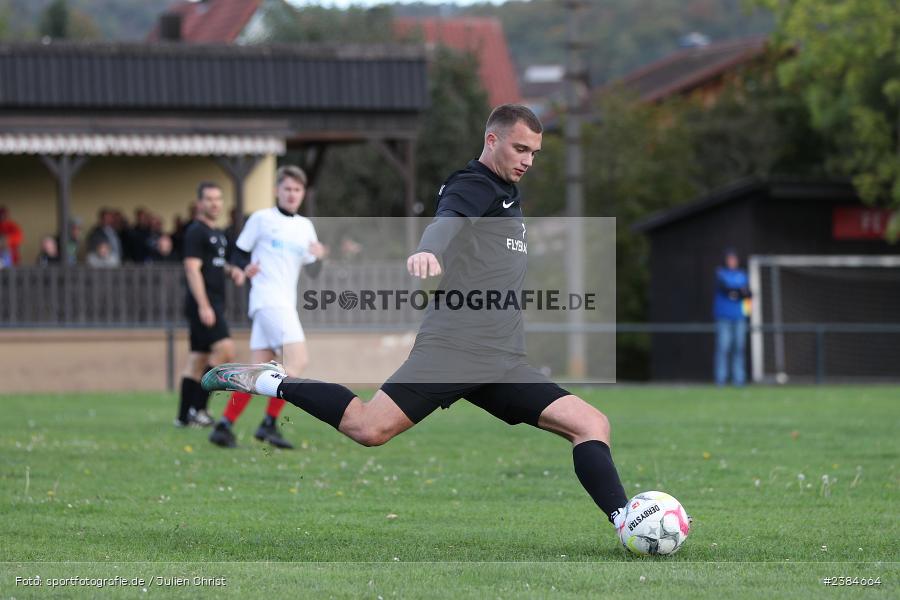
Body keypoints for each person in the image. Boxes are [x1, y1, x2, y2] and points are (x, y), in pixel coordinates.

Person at [203, 105, 633, 536]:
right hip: (453, 351)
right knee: (368, 428)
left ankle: (627, 522)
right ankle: (274, 381)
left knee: (591, 424)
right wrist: (430, 249)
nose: (528, 160)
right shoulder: (473, 184)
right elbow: (447, 221)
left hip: (501, 361)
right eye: (520, 148)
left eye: (534, 153)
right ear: (492, 140)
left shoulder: (506, 190)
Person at [207, 165, 325, 450]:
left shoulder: (305, 226)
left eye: (297, 190)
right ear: (277, 191)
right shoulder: (262, 219)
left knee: (259, 373)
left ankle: (223, 426)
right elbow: (239, 252)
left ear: (302, 193)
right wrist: (242, 268)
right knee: (296, 363)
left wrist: (319, 257)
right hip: (269, 301)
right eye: (287, 189)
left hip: (283, 303)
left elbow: (312, 272)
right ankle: (268, 425)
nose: (292, 194)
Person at [176, 182, 246, 427]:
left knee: (197, 359)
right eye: (209, 199)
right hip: (203, 304)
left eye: (218, 199)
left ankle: (184, 417)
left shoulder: (218, 234)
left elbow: (216, 264)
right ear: (200, 203)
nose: (214, 203)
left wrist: (233, 271)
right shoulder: (196, 231)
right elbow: (192, 269)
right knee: (225, 350)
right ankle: (200, 410)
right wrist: (204, 306)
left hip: (213, 302)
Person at [713, 248, 751, 386]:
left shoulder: (742, 275)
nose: (732, 261)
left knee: (739, 348)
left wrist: (736, 293)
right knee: (723, 348)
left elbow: (747, 293)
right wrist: (737, 292)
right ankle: (721, 379)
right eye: (729, 259)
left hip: (739, 317)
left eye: (734, 259)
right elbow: (726, 290)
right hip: (724, 317)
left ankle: (739, 379)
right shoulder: (721, 274)